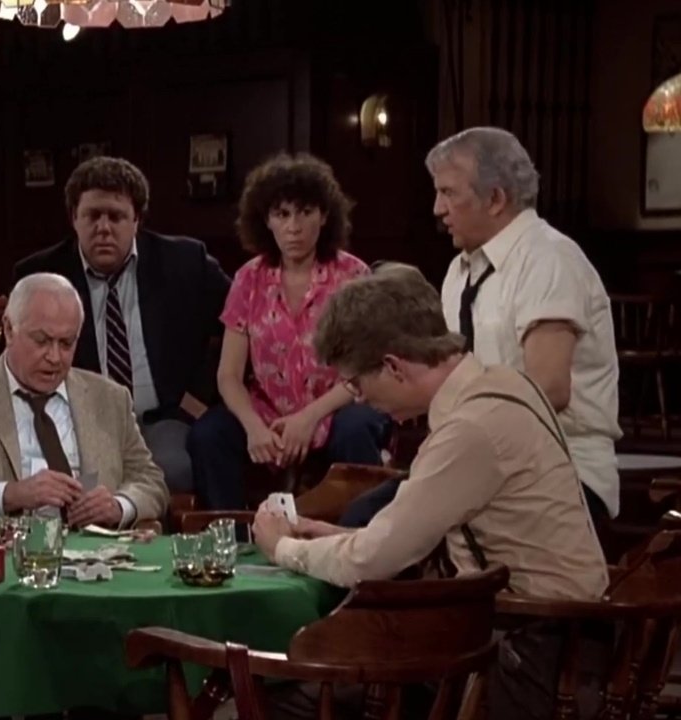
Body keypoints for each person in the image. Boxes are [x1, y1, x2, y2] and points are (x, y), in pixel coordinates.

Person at [252, 270, 609, 720]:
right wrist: (329, 535)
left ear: (394, 366)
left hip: (534, 656)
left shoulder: (471, 429)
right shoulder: (503, 383)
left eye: (357, 383)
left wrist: (282, 549)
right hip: (544, 636)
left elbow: (370, 561)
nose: (358, 398)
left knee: (286, 693)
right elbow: (398, 536)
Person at [428, 126, 620, 524]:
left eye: (448, 193)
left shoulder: (548, 259)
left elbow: (549, 388)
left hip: (560, 475)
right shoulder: (459, 272)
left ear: (495, 198)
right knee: (372, 515)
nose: (437, 209)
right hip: (482, 468)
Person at [13, 157, 230, 494]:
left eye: (115, 217)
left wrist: (199, 395)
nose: (104, 228)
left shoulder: (186, 263)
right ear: (74, 218)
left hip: (164, 417)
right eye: (92, 216)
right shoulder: (40, 275)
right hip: (78, 420)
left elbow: (242, 323)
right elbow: (14, 358)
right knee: (78, 488)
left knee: (172, 471)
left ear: (136, 220)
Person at [188, 153, 389, 512]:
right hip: (266, 412)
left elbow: (365, 370)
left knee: (357, 427)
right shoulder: (249, 278)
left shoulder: (353, 276)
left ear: (324, 215)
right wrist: (253, 427)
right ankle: (234, 537)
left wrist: (309, 418)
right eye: (282, 214)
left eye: (304, 212)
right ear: (266, 220)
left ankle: (359, 534)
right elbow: (229, 375)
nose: (294, 227)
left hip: (337, 408)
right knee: (208, 434)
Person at [0, 273, 169, 527]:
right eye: (42, 341)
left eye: (66, 343)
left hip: (94, 554)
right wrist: (9, 495)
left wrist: (119, 506)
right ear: (9, 329)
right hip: (1, 554)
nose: (55, 357)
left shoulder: (110, 397)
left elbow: (150, 480)